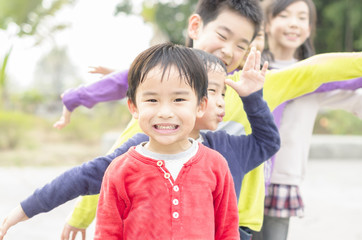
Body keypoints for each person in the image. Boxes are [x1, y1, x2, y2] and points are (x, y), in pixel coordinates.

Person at [53, 0, 362, 239]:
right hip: (182, 218)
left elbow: (318, 69)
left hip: (236, 221)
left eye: (242, 44)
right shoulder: (166, 107)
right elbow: (113, 161)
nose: (229, 51)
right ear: (196, 27)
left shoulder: (255, 85)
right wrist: (81, 215)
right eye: (223, 36)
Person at [0, 43, 276, 239]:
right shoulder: (131, 158)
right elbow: (85, 176)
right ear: (135, 106)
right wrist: (24, 209)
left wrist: (253, 97)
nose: (219, 101)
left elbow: (268, 143)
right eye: (213, 90)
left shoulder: (226, 153)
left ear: (198, 103)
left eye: (223, 92)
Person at [252, 0, 362, 239]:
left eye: (302, 18)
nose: (294, 24)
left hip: (282, 178)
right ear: (267, 24)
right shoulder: (249, 68)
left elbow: (355, 97)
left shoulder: (316, 76)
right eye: (284, 15)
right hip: (246, 173)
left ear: (310, 28)